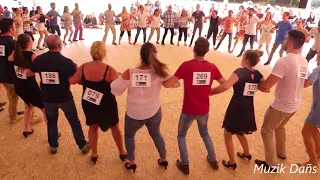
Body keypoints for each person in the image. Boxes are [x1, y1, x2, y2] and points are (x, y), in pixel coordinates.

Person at [111, 42, 179, 173]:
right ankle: (163, 158)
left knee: (129, 136)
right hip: (154, 111)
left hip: (134, 114)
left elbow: (114, 89)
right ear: (155, 55)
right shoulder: (160, 72)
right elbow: (176, 84)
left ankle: (132, 162)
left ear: (141, 56)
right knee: (156, 133)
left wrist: (121, 78)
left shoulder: (130, 72)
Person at [163, 37, 225, 174]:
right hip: (204, 109)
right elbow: (224, 84)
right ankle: (213, 159)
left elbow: (168, 84)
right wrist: (212, 92)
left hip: (188, 109)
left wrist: (162, 79)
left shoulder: (187, 65)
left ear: (194, 49)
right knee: (204, 133)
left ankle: (185, 163)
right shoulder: (212, 67)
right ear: (207, 51)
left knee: (181, 135)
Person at [255, 30, 308, 170]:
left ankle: (271, 164)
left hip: (281, 106)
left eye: (285, 38)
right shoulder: (303, 60)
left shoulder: (284, 61)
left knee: (266, 130)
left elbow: (267, 85)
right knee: (279, 126)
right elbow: (306, 82)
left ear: (290, 43)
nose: (283, 40)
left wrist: (254, 83)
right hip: (295, 104)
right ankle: (281, 153)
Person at [29, 35, 90, 154]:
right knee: (73, 120)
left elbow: (29, 73)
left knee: (51, 121)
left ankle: (53, 146)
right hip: (65, 97)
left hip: (47, 98)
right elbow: (76, 80)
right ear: (60, 45)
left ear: (47, 45)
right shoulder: (67, 63)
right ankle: (82, 145)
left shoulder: (39, 59)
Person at [69, 41, 127, 164]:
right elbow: (119, 86)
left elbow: (73, 81)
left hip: (89, 102)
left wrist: (83, 82)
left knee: (93, 127)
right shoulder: (109, 69)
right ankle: (122, 152)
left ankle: (94, 154)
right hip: (107, 104)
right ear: (104, 53)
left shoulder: (83, 67)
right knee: (114, 126)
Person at [211, 50, 269, 170]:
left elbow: (226, 85)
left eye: (243, 57)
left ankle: (232, 161)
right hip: (248, 106)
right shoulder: (258, 74)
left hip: (236, 106)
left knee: (228, 134)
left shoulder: (240, 72)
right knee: (240, 131)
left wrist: (211, 92)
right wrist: (254, 87)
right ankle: (246, 154)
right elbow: (266, 89)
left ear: (246, 59)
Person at [8, 34, 47, 137]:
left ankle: (26, 129)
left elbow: (9, 59)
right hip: (30, 87)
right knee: (44, 108)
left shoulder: (15, 54)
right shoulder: (32, 55)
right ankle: (53, 133)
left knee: (29, 106)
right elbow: (40, 69)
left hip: (19, 86)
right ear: (29, 43)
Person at [0, 18, 25, 124]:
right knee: (21, 96)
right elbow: (20, 60)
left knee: (11, 95)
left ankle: (13, 114)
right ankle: (13, 118)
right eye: (14, 26)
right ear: (11, 29)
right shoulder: (13, 43)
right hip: (11, 75)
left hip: (1, 75)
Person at [299, 52, 320, 167]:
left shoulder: (317, 70)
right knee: (314, 128)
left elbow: (306, 83)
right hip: (317, 106)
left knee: (305, 131)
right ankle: (318, 152)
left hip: (318, 108)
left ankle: (313, 161)